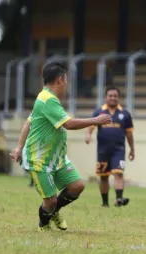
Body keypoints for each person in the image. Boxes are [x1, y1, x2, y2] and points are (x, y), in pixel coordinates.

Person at [10, 62, 112, 231]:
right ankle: (43, 225)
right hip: (39, 159)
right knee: (50, 201)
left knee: (77, 186)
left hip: (56, 158)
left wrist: (19, 147)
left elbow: (29, 122)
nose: (66, 83)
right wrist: (96, 120)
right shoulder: (47, 100)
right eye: (66, 80)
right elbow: (69, 124)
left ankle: (54, 212)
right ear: (60, 80)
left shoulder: (45, 97)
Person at [85, 87, 134, 207]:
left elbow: (129, 133)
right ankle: (105, 203)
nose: (113, 98)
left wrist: (132, 149)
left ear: (118, 97)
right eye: (110, 96)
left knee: (118, 174)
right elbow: (91, 126)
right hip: (103, 150)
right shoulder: (99, 112)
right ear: (106, 97)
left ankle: (118, 200)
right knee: (104, 176)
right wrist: (88, 135)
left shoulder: (125, 113)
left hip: (119, 150)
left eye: (115, 96)